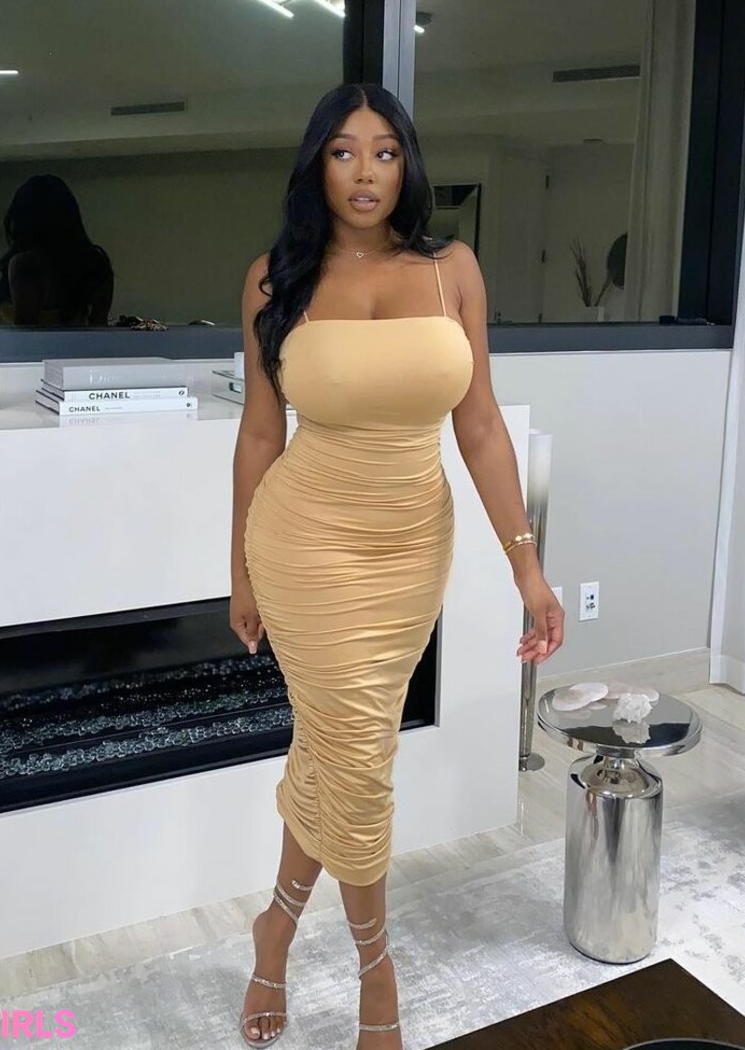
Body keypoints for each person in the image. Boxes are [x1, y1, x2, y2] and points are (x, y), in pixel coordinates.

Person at [230, 83, 564, 1049]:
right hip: (304, 541)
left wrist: (527, 569)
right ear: (317, 166)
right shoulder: (274, 280)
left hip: (412, 545)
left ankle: (276, 928)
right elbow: (259, 435)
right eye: (343, 152)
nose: (365, 172)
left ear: (408, 164)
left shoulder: (453, 271)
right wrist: (241, 572)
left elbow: (482, 424)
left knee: (337, 748)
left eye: (384, 151)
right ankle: (377, 969)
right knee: (361, 756)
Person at [0, 174, 113, 326]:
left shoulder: (26, 265)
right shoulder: (94, 264)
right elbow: (99, 327)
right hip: (79, 342)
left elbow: (26, 331)